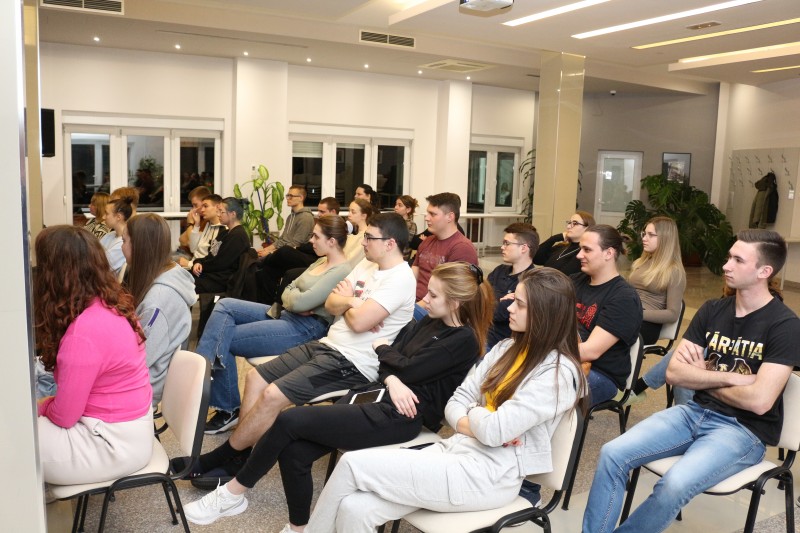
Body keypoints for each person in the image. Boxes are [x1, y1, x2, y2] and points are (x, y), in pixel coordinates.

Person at [182, 261, 495, 528]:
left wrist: (387, 356)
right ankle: (298, 528)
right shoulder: (429, 321)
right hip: (379, 396)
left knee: (289, 420)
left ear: (456, 303)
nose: (425, 299)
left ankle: (233, 493)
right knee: (294, 453)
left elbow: (401, 363)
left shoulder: (464, 340)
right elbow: (390, 365)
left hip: (402, 416)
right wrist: (393, 377)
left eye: (434, 295)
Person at [301, 267, 586, 533]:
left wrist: (475, 413)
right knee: (355, 508)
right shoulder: (506, 348)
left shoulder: (558, 374)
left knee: (352, 465)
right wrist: (481, 418)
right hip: (456, 450)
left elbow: (493, 430)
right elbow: (457, 401)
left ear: (545, 314)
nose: (509, 308)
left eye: (519, 304)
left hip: (490, 476)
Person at [583, 229, 800, 533]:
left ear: (764, 271)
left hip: (743, 431)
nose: (726, 266)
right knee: (612, 454)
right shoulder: (712, 310)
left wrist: (702, 377)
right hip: (692, 413)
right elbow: (674, 373)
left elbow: (760, 401)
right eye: (729, 257)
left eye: (738, 260)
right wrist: (731, 379)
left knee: (674, 483)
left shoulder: (785, 325)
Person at [185, 213, 415, 482]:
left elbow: (359, 323)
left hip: (351, 363)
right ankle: (241, 456)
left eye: (369, 237)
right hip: (327, 345)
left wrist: (347, 302)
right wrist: (352, 303)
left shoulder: (400, 279)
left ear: (390, 243)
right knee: (255, 377)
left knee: (272, 395)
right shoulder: (367, 264)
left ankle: (224, 458)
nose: (362, 242)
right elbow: (331, 303)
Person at [199, 215, 352, 434]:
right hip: (285, 314)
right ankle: (204, 366)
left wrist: (295, 299)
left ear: (332, 241)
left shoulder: (341, 271)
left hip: (304, 328)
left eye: (316, 236)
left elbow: (300, 301)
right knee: (225, 305)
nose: (311, 240)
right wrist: (295, 299)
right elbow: (288, 288)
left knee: (224, 338)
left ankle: (226, 407)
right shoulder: (321, 261)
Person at [35, 226, 153, 485]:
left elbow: (65, 416)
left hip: (112, 445)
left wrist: (41, 406)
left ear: (54, 274)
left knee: (12, 436)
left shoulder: (84, 332)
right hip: (130, 432)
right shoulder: (112, 304)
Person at [123, 214, 196, 407]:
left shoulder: (158, 301)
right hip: (138, 380)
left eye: (124, 241)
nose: (121, 247)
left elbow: (139, 360)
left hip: (139, 390)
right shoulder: (168, 273)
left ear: (139, 247)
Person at [573, 224, 642, 406]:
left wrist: (543, 352)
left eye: (587, 249)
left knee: (544, 390)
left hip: (601, 374)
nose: (579, 255)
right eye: (580, 249)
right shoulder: (575, 281)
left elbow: (591, 351)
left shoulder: (624, 297)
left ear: (609, 253)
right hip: (569, 360)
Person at [413, 192, 478, 320]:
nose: (427, 218)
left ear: (450, 217)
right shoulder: (427, 241)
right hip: (415, 303)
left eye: (433, 214)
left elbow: (451, 294)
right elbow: (414, 272)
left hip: (435, 310)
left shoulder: (462, 248)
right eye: (428, 213)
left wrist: (413, 309)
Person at [628, 216, 686, 345]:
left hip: (647, 324)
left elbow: (673, 314)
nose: (644, 238)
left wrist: (637, 313)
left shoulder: (674, 271)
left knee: (609, 329)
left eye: (651, 235)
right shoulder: (640, 262)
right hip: (629, 315)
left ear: (665, 239)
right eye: (644, 234)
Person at [486, 222, 539, 350]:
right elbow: (477, 300)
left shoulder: (532, 281)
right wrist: (499, 301)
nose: (502, 247)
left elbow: (498, 313)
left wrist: (490, 302)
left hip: (501, 345)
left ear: (523, 248)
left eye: (507, 243)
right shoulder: (499, 270)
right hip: (480, 333)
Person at [192, 197, 250, 294]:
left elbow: (220, 263)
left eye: (221, 212)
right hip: (214, 274)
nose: (218, 214)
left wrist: (202, 265)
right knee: (183, 278)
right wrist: (198, 262)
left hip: (223, 280)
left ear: (233, 214)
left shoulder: (238, 236)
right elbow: (211, 256)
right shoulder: (225, 233)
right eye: (218, 211)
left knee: (185, 283)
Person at [257, 185, 314, 258]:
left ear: (301, 198)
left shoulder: (306, 217)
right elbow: (282, 239)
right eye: (288, 196)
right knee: (255, 257)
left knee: (261, 261)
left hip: (294, 255)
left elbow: (296, 244)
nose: (288, 198)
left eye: (291, 196)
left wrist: (271, 253)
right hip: (283, 253)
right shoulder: (290, 217)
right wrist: (265, 250)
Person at [534, 211, 595, 276]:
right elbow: (536, 259)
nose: (568, 226)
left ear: (587, 228)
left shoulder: (583, 253)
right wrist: (554, 238)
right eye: (569, 223)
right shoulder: (561, 247)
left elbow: (564, 274)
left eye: (575, 223)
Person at [179, 193, 225, 269]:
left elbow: (214, 261)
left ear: (217, 207)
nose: (202, 210)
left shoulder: (223, 229)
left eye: (205, 206)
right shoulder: (208, 224)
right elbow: (193, 248)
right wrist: (196, 225)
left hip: (200, 270)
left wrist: (189, 264)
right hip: (194, 266)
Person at [100, 196, 134, 278]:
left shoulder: (123, 244)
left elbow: (99, 266)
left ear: (118, 217)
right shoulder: (109, 235)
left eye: (106, 213)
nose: (103, 217)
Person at [177, 185, 212, 257]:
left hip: (192, 257)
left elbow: (192, 245)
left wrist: (190, 223)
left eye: (195, 205)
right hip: (183, 252)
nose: (193, 209)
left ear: (204, 203)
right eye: (192, 206)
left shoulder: (208, 220)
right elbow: (181, 239)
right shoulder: (200, 218)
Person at [394, 195, 418, 261]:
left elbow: (402, 244)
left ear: (408, 209)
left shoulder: (411, 225)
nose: (395, 207)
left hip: (401, 257)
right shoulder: (394, 221)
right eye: (396, 204)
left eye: (400, 205)